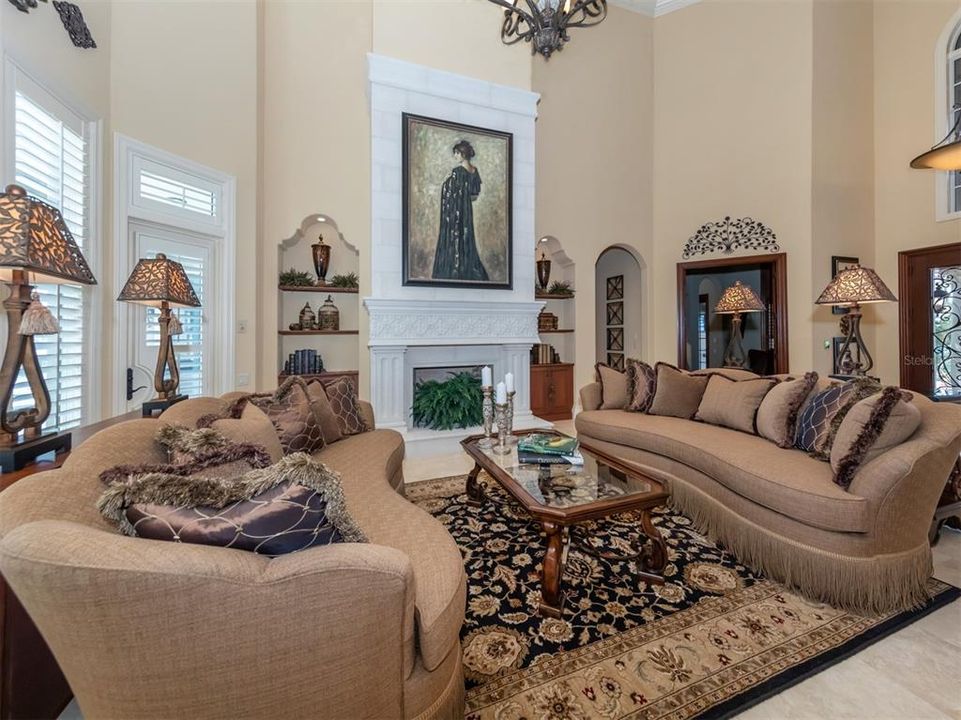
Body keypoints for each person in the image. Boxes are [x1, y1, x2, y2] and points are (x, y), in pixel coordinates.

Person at [432, 139, 489, 281]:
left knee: (455, 236)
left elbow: (451, 191)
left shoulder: (457, 172)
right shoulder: (474, 171)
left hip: (455, 212)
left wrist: (447, 185)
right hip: (466, 211)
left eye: (457, 153)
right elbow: (474, 194)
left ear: (463, 154)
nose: (455, 156)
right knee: (466, 237)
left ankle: (455, 268)